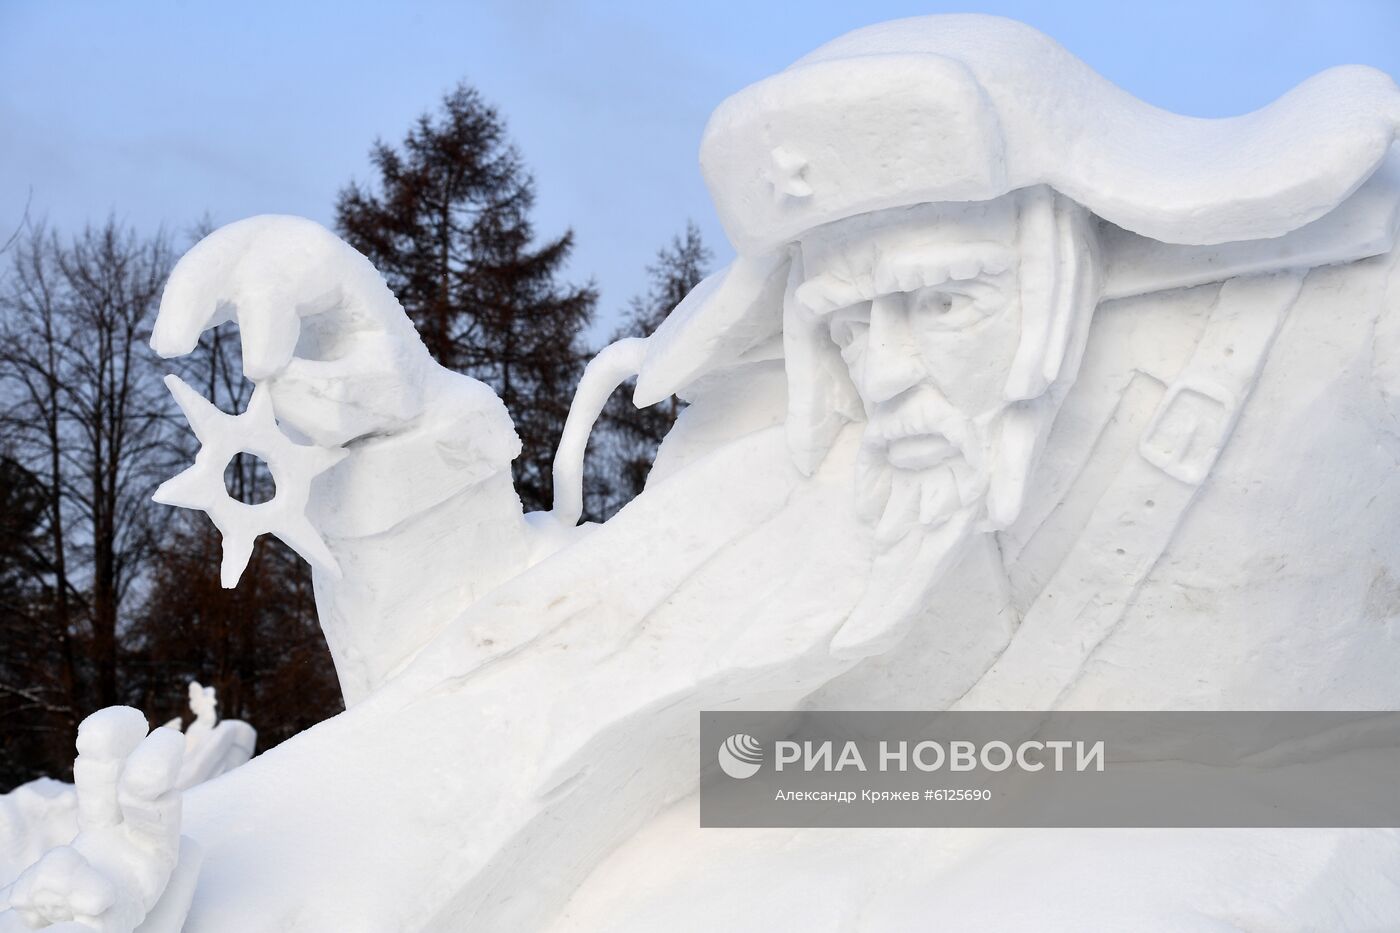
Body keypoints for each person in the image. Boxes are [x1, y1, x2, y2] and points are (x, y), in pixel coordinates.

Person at [8, 13, 1400, 932]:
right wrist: (390, 448)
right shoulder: (802, 445)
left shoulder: (1325, 341)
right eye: (850, 318)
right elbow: (535, 681)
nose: (892, 367)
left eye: (947, 301)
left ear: (1058, 276)